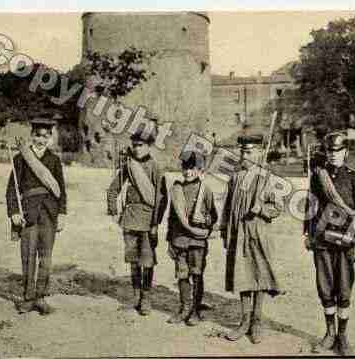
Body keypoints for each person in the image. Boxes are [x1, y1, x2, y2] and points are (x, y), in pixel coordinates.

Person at [303, 132, 355, 356]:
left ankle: (342, 336)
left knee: (343, 289)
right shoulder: (318, 176)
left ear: (346, 153)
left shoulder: (353, 177)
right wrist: (307, 232)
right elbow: (311, 205)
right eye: (330, 151)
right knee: (325, 288)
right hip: (322, 241)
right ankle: (329, 333)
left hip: (345, 242)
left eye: (338, 151)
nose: (333, 155)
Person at [220, 134, 284, 344]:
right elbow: (227, 207)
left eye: (248, 152)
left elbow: (277, 208)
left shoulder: (268, 178)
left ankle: (257, 320)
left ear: (258, 153)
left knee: (259, 274)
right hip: (237, 233)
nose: (243, 155)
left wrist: (262, 209)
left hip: (258, 233)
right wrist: (223, 230)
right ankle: (244, 320)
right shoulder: (236, 177)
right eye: (242, 151)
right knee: (242, 275)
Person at [5, 117, 67, 315]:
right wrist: (14, 212)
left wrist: (63, 213)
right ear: (32, 136)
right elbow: (11, 190)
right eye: (37, 135)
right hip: (28, 214)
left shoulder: (54, 160)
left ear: (50, 138)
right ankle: (28, 297)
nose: (41, 140)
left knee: (46, 259)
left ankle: (40, 297)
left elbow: (61, 190)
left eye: (45, 136)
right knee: (28, 257)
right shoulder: (20, 158)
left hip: (49, 213)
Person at [107, 118, 165, 316]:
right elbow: (112, 190)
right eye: (134, 145)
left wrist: (156, 223)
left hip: (148, 221)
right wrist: (114, 212)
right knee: (133, 260)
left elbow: (160, 198)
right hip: (130, 220)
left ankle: (146, 298)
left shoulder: (155, 168)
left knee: (147, 261)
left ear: (149, 146)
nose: (137, 149)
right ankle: (136, 296)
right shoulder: (128, 166)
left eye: (141, 145)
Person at [166, 151, 218, 326]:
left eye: (192, 168)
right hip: (179, 239)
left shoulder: (206, 191)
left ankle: (195, 310)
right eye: (185, 167)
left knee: (196, 274)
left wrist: (204, 220)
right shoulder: (176, 189)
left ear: (199, 170)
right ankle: (184, 308)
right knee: (182, 275)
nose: (187, 172)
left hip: (197, 241)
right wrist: (169, 241)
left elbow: (214, 217)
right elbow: (171, 218)